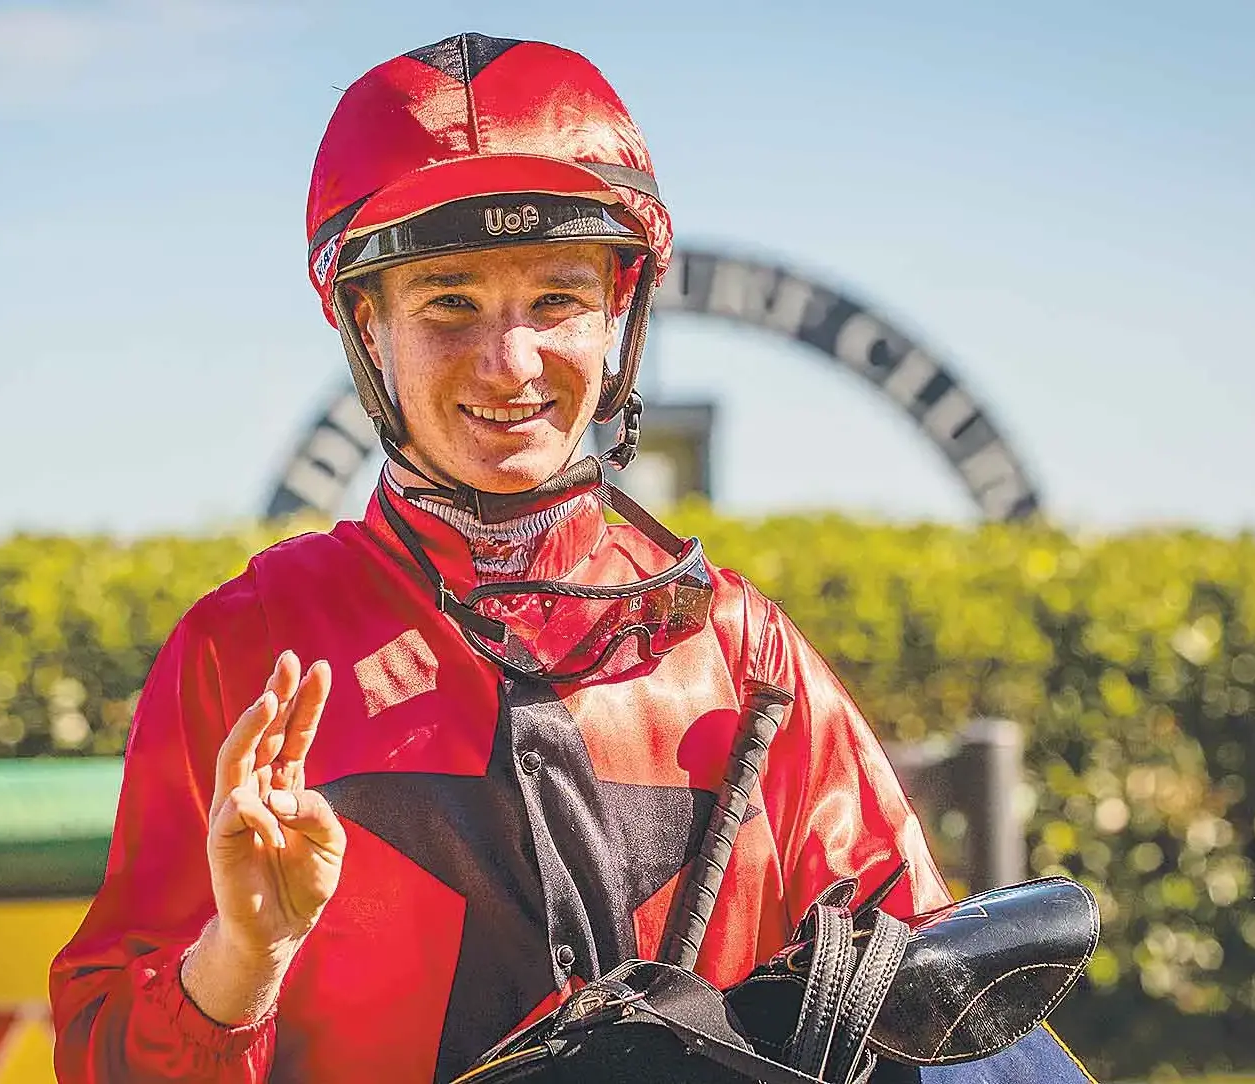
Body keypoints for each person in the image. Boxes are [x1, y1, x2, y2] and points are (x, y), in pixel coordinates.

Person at [48, 31, 958, 1084]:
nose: (510, 362)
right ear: (367, 326)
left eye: (557, 300)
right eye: (450, 302)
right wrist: (240, 962)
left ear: (617, 314)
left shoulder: (742, 650)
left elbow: (932, 1011)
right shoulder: (244, 648)